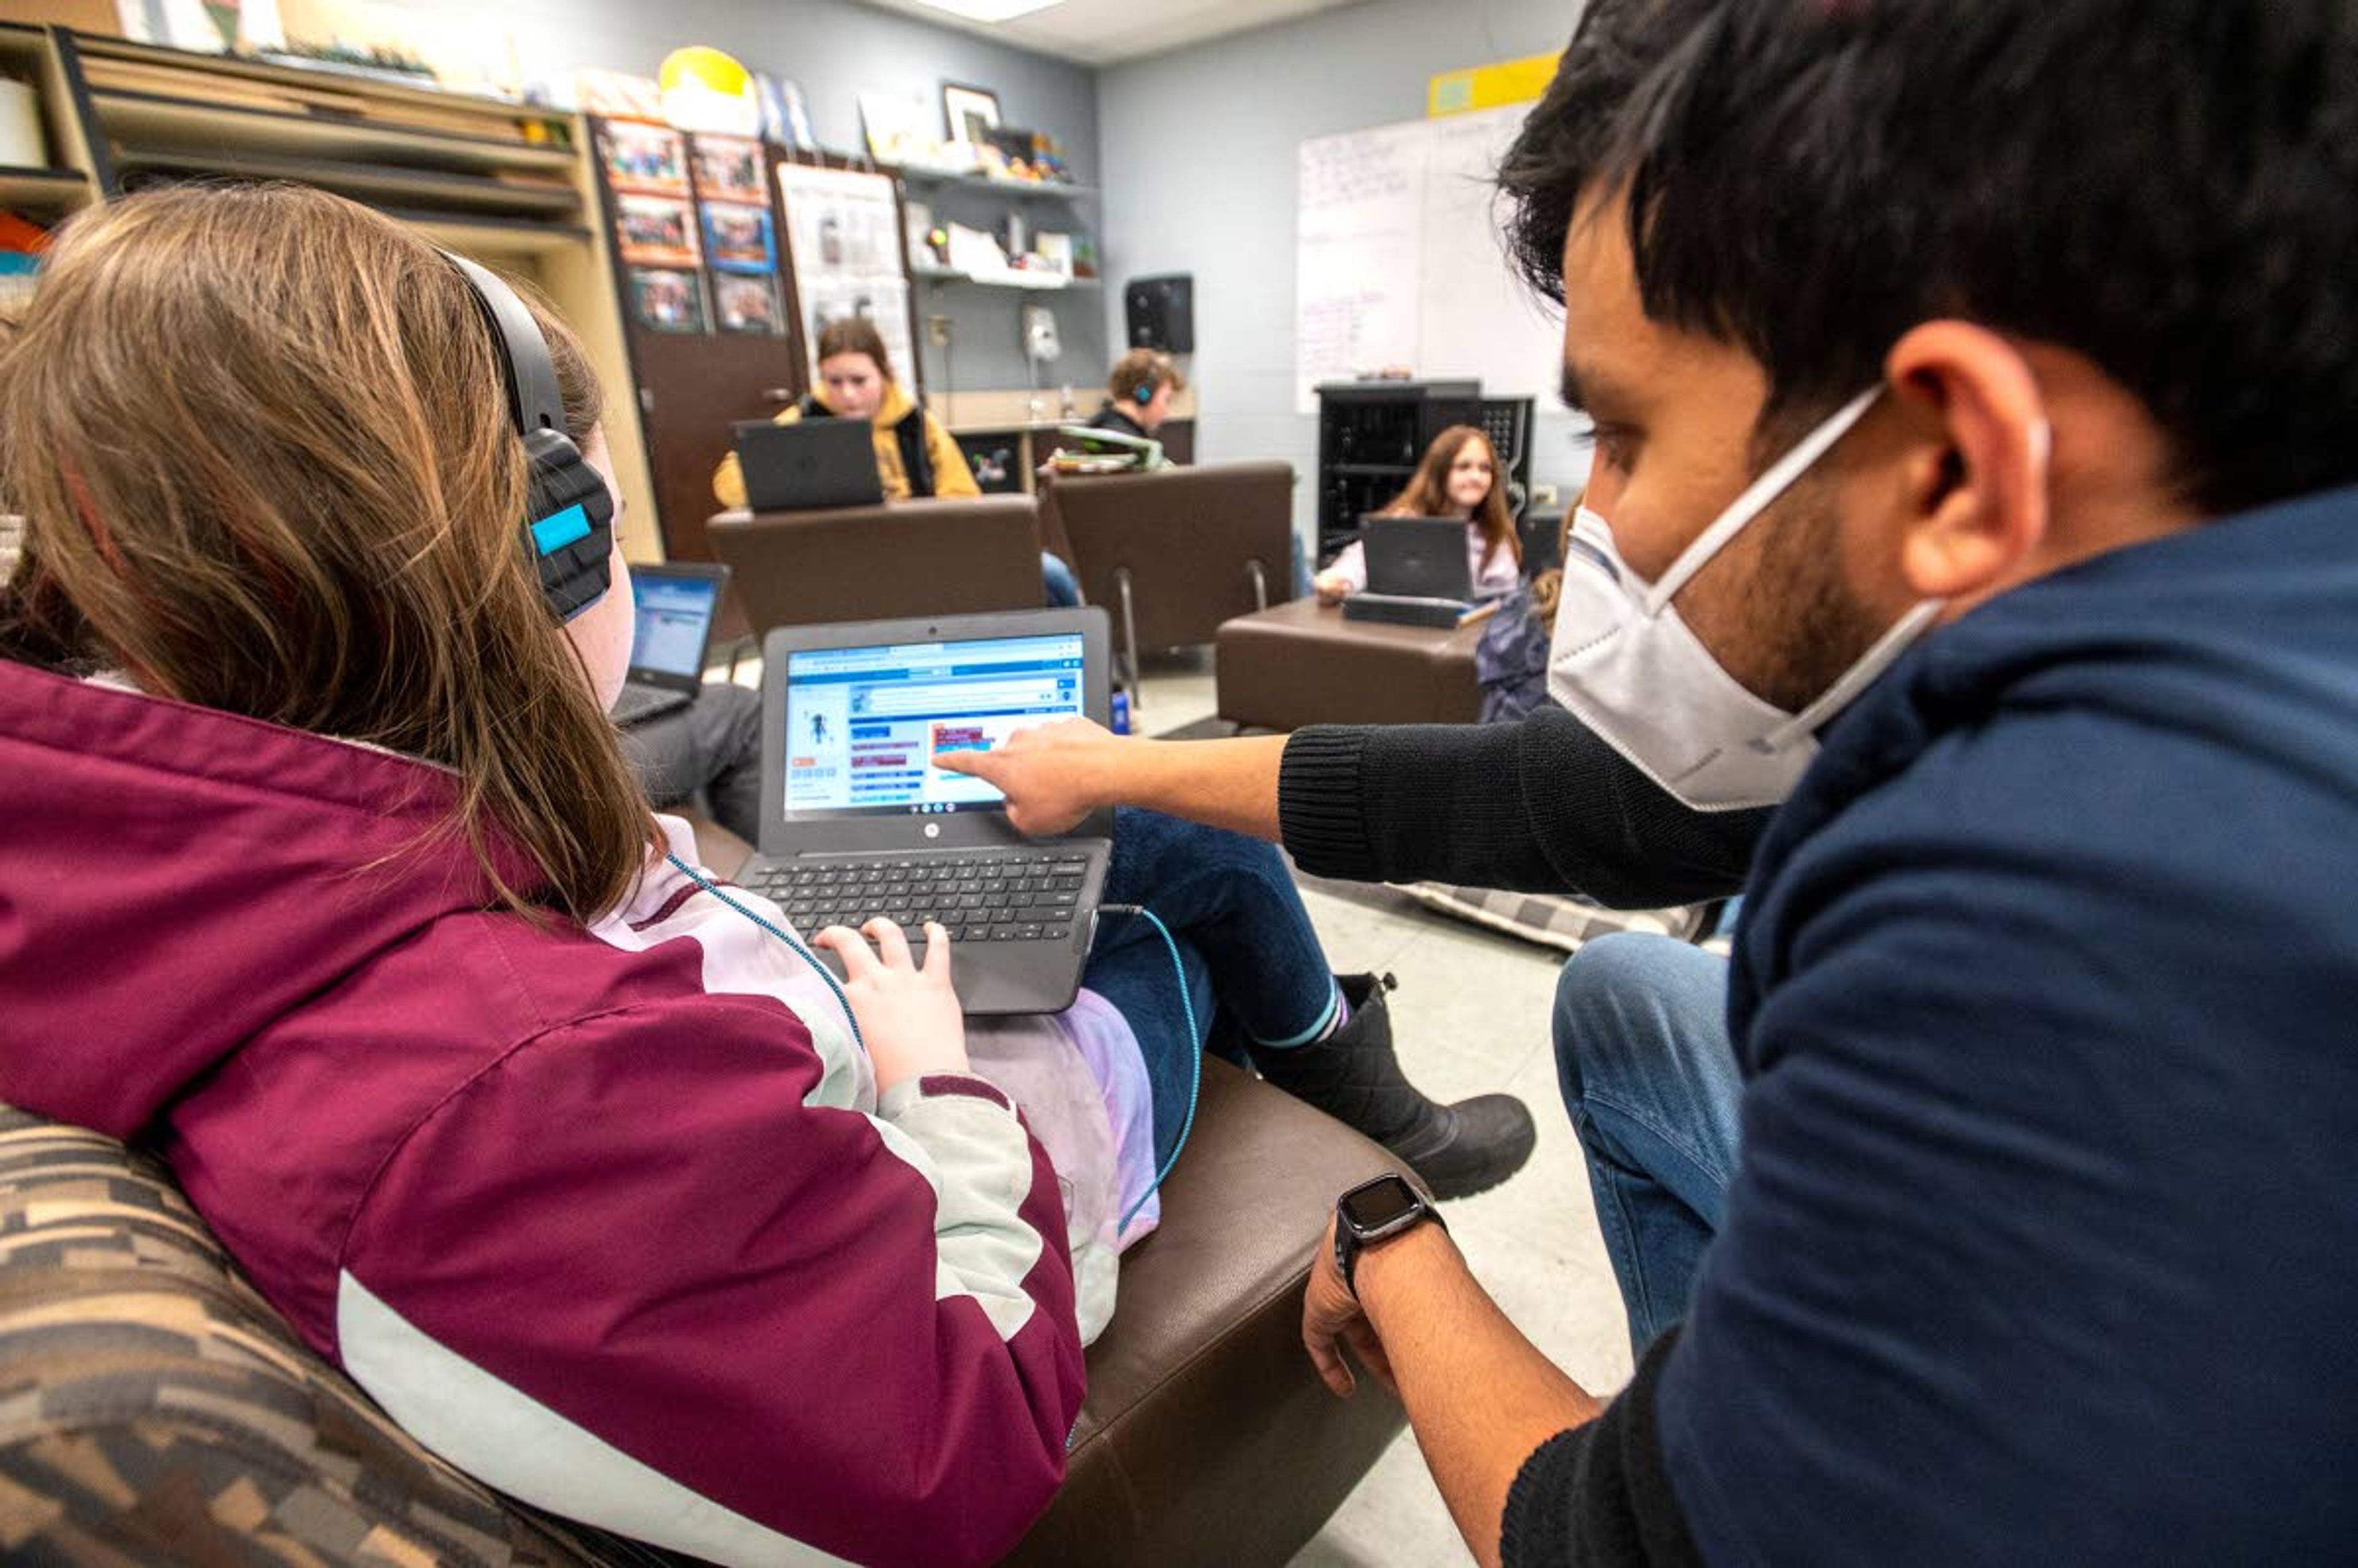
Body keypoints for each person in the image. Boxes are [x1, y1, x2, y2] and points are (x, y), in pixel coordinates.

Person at [947, 0, 2358, 1561]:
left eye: (1618, 432)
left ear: (1951, 459)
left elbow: (1590, 1543)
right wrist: (1124, 765)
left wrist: (1390, 1235)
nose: (1590, 514)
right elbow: (1582, 807)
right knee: (1625, 995)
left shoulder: (2050, 911)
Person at [0, 185, 1530, 1568]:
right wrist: (936, 1078)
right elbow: (958, 1434)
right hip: (944, 1150)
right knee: (1175, 905)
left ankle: (1347, 1064)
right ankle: (1356, 1097)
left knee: (1115, 843)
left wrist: (624, 883)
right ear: (553, 546)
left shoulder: (199, 873)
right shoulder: (512, 1096)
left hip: (804, 1025)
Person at [712, 316, 1083, 608]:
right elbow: (729, 483)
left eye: (859, 380)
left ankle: (1096, 680)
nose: (847, 394)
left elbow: (966, 502)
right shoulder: (802, 421)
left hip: (919, 560)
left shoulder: (916, 425)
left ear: (884, 374)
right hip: (834, 566)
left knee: (1050, 574)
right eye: (834, 382)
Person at [1314, 425, 1522, 604]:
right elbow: (1359, 562)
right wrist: (1337, 582)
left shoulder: (1495, 536)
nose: (1476, 477)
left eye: (1485, 469)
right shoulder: (1406, 521)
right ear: (1440, 473)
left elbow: (1505, 602)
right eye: (1463, 467)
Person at [1086, 346, 1184, 441]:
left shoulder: (1096, 428)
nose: (1166, 412)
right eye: (1167, 400)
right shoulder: (1131, 445)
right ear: (1144, 395)